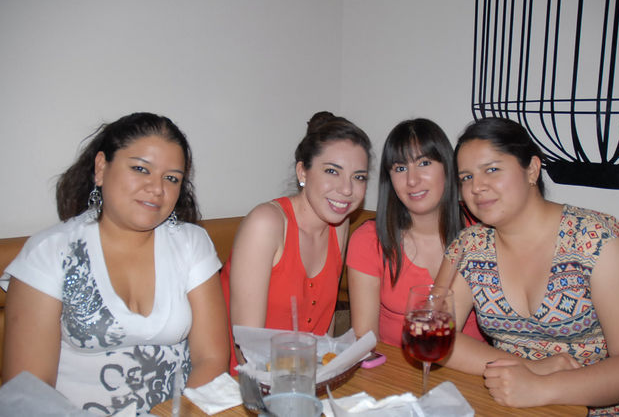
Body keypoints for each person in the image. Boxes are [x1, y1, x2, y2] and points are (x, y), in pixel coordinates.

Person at [1, 113, 230, 415]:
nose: (157, 188)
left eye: (171, 178)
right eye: (140, 169)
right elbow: (30, 392)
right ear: (101, 168)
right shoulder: (50, 253)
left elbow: (210, 359)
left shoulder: (191, 243)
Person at [438, 117, 619, 414]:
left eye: (492, 169)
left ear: (532, 170)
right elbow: (438, 338)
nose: (476, 187)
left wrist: (542, 387)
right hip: (513, 405)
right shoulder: (469, 247)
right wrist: (532, 369)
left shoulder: (597, 241)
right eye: (466, 177)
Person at [220, 111, 371, 369]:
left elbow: (324, 328)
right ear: (303, 172)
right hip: (244, 381)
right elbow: (248, 351)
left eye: (359, 177)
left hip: (307, 376)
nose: (347, 189)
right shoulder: (266, 224)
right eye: (332, 171)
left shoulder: (339, 225)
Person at [346, 118, 486, 347]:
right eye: (400, 168)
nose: (412, 180)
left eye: (424, 163)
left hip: (475, 367)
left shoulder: (480, 231)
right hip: (395, 367)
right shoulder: (370, 240)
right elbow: (365, 341)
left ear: (448, 168)